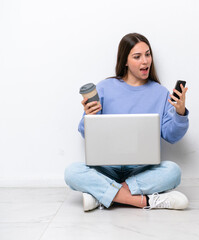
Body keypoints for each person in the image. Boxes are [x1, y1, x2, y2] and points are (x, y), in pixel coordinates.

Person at [64, 33, 190, 211]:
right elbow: (86, 133)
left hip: (142, 171)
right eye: (137, 57)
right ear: (125, 61)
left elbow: (172, 136)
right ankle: (144, 201)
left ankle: (103, 196)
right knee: (72, 172)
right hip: (106, 169)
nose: (145, 61)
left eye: (147, 54)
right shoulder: (104, 88)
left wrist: (180, 113)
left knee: (173, 171)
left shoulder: (161, 93)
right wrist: (89, 117)